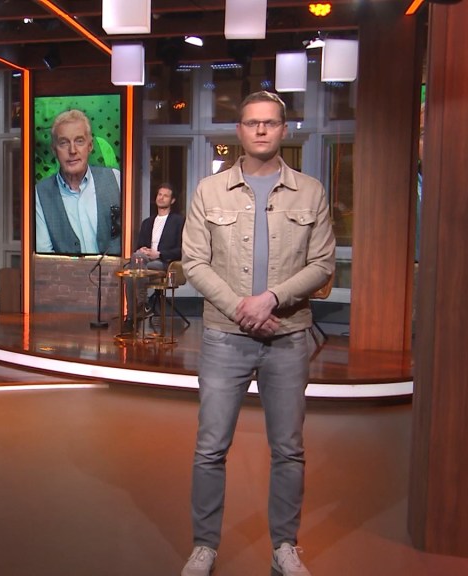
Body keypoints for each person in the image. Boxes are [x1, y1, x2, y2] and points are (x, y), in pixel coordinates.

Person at [179, 92, 335, 576]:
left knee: (288, 449)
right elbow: (194, 263)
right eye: (252, 123)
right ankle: (204, 547)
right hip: (225, 337)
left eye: (270, 123)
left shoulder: (311, 192)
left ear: (284, 130)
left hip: (288, 336)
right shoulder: (209, 191)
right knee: (210, 448)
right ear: (239, 131)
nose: (261, 130)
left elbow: (322, 263)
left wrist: (270, 299)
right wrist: (241, 309)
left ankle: (285, 547)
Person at [35, 109, 121, 255]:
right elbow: (44, 256)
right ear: (54, 150)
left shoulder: (115, 178)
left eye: (79, 141)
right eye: (64, 143)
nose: (72, 150)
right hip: (62, 271)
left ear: (90, 146)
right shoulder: (40, 193)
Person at [125, 183, 185, 323]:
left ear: (172, 200)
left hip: (164, 263)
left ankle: (136, 311)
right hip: (144, 261)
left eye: (165, 196)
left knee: (130, 270)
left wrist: (158, 254)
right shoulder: (147, 222)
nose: (161, 198)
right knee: (133, 264)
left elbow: (181, 250)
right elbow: (139, 246)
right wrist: (142, 250)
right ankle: (138, 310)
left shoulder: (178, 221)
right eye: (159, 194)